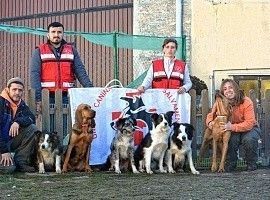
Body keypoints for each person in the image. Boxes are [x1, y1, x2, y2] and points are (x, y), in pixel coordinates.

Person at [30, 21, 93, 113]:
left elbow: (80, 71)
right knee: (49, 125)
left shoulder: (71, 50)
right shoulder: (39, 51)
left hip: (67, 95)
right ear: (48, 35)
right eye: (53, 32)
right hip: (47, 96)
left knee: (67, 125)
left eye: (59, 32)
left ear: (63, 34)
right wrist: (38, 98)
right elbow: (34, 75)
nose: (56, 34)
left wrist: (90, 90)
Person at [206, 79, 261, 172]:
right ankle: (231, 163)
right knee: (230, 140)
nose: (228, 90)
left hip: (250, 129)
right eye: (225, 89)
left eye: (230, 87)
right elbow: (211, 114)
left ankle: (251, 163)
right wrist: (210, 122)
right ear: (223, 92)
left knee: (248, 139)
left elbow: (249, 123)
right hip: (231, 129)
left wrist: (232, 127)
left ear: (236, 88)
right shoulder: (220, 102)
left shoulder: (246, 101)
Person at [0, 77, 38, 173]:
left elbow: (31, 118)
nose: (17, 92)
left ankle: (21, 162)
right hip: (2, 144)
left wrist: (18, 121)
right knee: (9, 169)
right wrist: (3, 151)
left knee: (32, 128)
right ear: (8, 90)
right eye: (14, 89)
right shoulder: (1, 102)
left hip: (10, 141)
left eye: (20, 90)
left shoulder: (21, 105)